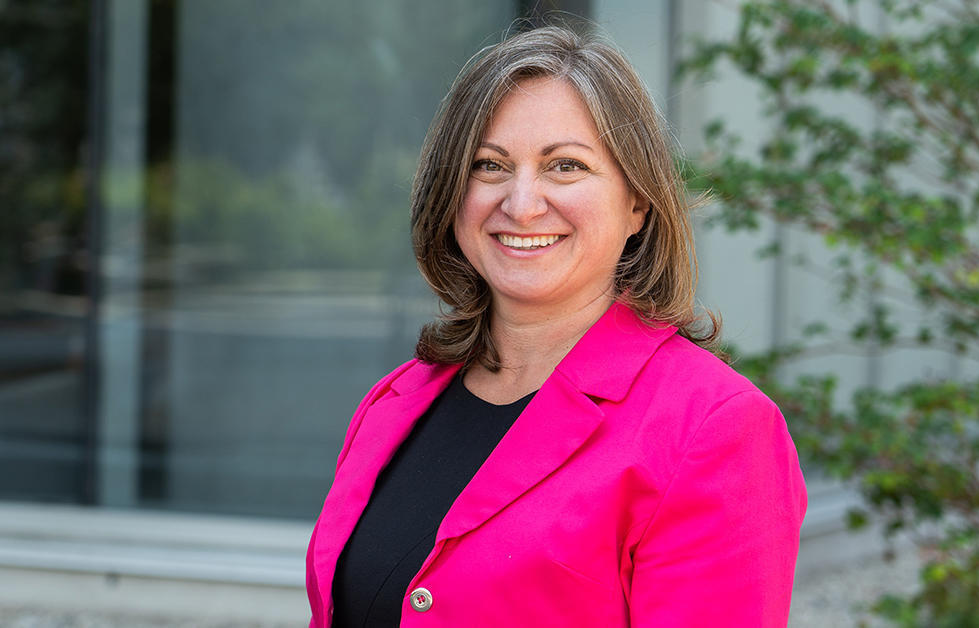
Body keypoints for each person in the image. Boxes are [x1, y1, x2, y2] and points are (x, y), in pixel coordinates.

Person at [305, 25, 806, 627]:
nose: (521, 203)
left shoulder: (711, 428)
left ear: (637, 203)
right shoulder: (394, 401)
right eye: (489, 165)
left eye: (564, 166)